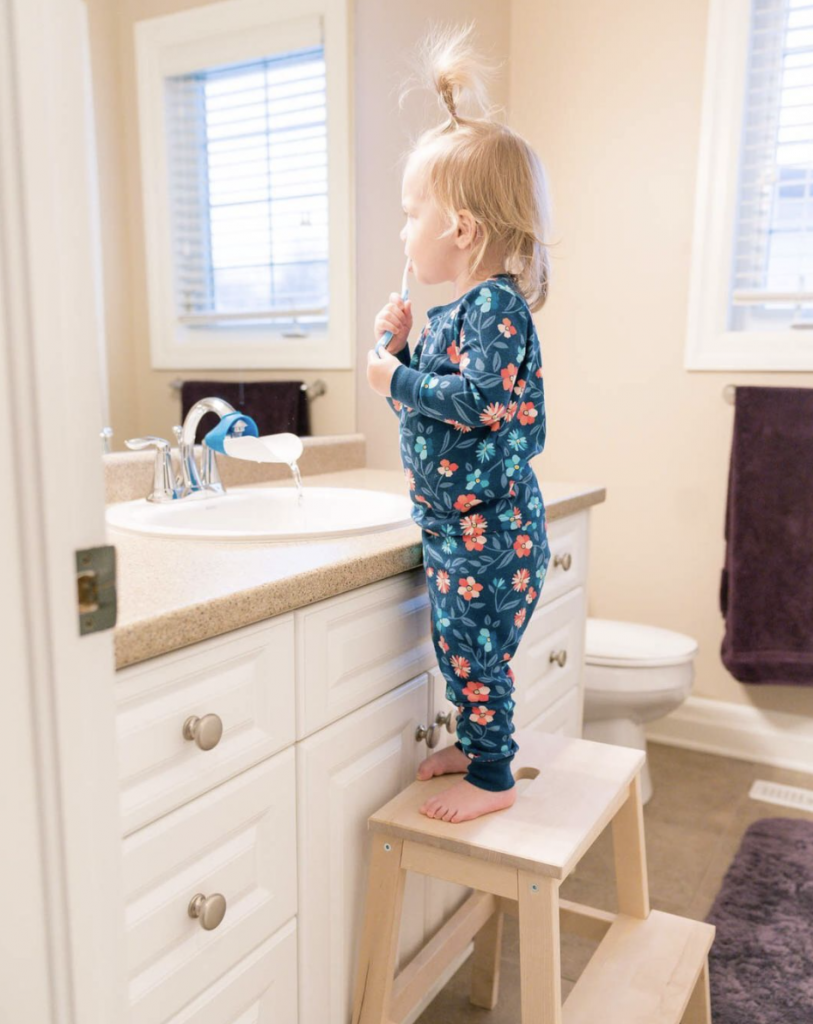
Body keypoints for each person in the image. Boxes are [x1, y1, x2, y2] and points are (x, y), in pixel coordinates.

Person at [366, 21, 556, 823]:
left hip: (492, 529)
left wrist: (397, 374)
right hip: (456, 526)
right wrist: (397, 347)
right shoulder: (452, 316)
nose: (403, 231)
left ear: (462, 230)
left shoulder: (496, 308)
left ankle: (494, 777)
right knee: (457, 650)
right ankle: (475, 747)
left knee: (478, 655)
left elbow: (476, 402)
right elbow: (427, 411)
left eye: (412, 214)